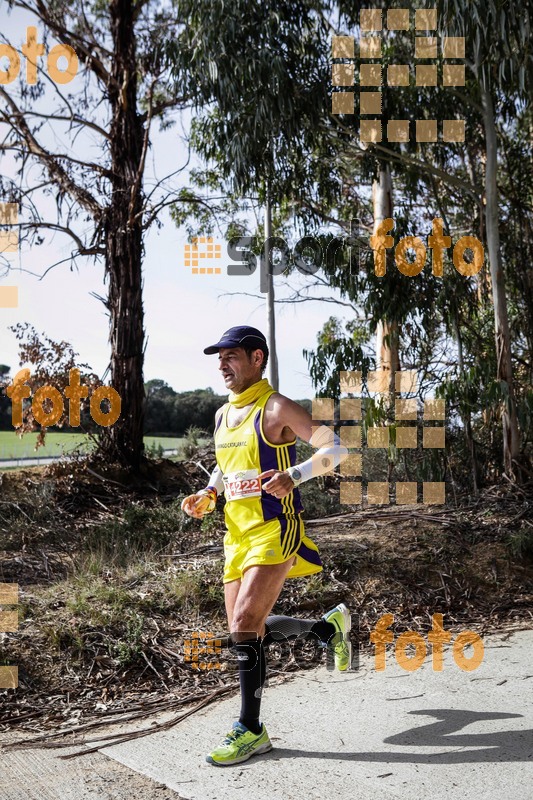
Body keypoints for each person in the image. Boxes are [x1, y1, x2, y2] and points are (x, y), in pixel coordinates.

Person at [181, 325, 351, 767]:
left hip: (275, 527)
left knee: (243, 622)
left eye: (231, 355)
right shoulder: (222, 416)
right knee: (246, 631)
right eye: (218, 357)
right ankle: (327, 630)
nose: (222, 364)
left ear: (258, 358)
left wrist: (293, 476)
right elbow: (224, 467)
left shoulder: (276, 408)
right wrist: (209, 494)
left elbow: (337, 449)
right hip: (235, 533)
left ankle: (252, 730)